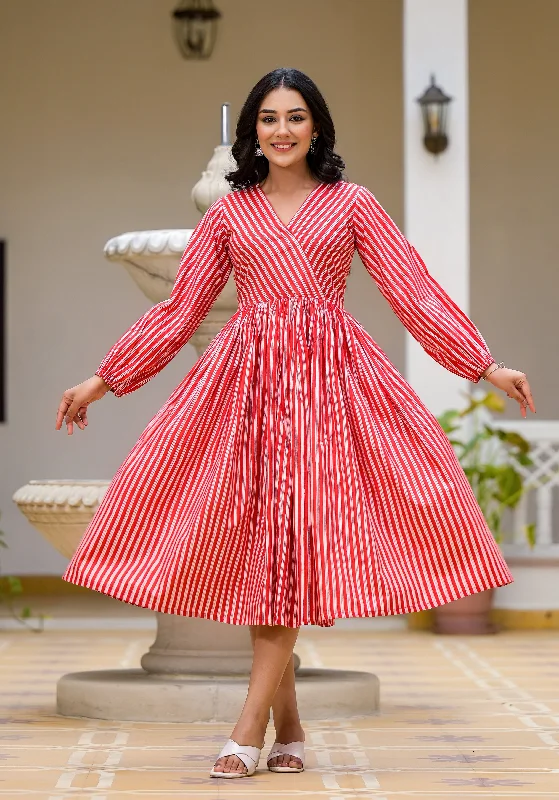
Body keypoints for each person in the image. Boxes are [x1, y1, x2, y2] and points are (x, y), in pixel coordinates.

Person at [56, 68, 535, 779]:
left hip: (329, 396)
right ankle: (291, 726)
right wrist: (105, 378)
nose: (282, 130)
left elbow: (412, 289)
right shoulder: (228, 213)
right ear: (253, 129)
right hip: (242, 396)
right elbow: (179, 312)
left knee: (285, 554)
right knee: (263, 557)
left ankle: (246, 729)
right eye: (269, 118)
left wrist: (481, 363)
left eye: (296, 117)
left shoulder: (352, 204)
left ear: (317, 128)